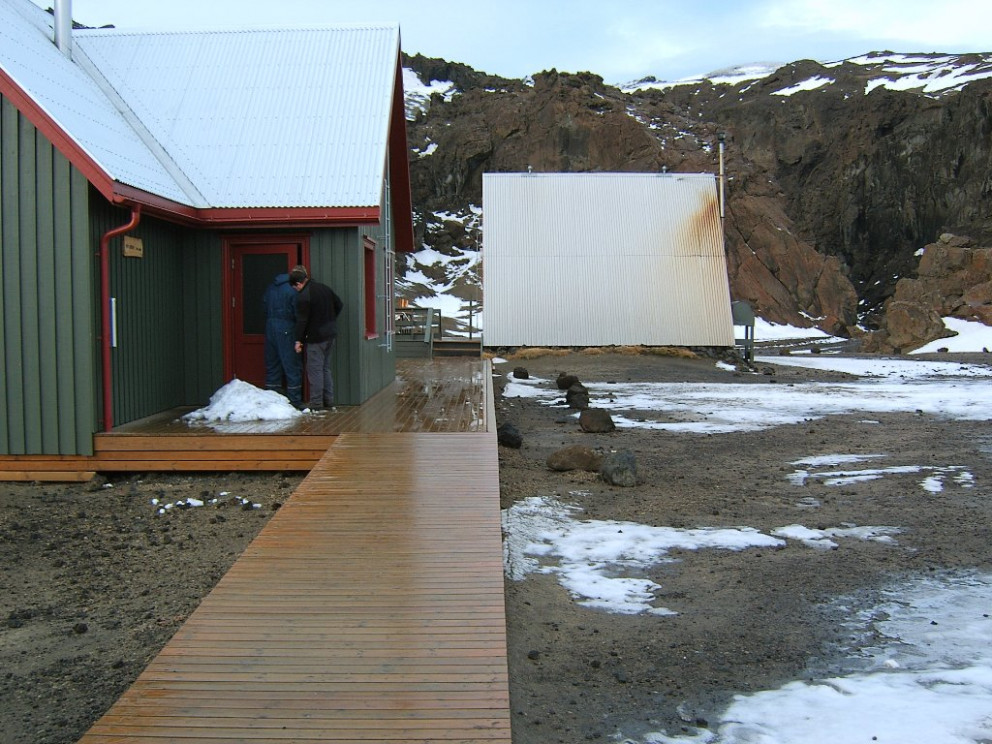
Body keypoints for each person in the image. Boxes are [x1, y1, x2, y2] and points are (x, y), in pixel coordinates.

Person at [289, 265, 344, 412]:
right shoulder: (324, 288)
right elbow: (339, 304)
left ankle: (316, 403)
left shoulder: (303, 296)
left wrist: (298, 340)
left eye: (295, 287)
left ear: (298, 284)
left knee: (315, 370)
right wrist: (330, 319)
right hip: (330, 334)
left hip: (316, 337)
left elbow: (302, 321)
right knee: (325, 368)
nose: (295, 290)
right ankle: (328, 401)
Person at [262, 272, 303, 409]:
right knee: (291, 363)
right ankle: (294, 400)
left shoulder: (270, 288)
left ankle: (272, 399)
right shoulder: (292, 290)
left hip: (270, 326)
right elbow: (298, 312)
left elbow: (264, 306)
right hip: (286, 327)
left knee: (272, 363)